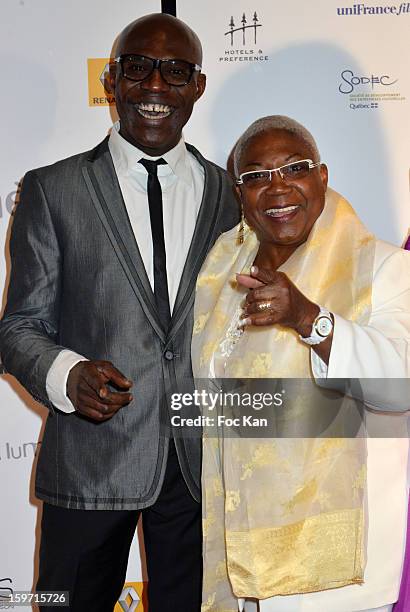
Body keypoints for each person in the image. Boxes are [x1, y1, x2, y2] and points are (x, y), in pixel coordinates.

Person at [0, 13, 239, 612]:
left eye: (176, 72)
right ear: (112, 81)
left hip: (199, 468)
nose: (156, 86)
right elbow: (19, 327)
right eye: (138, 68)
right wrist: (67, 374)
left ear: (198, 87)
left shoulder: (230, 196)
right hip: (86, 465)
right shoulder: (52, 190)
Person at [192, 115, 410, 612]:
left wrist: (310, 318)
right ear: (239, 194)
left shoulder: (384, 267)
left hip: (335, 574)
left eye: (295, 168)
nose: (277, 187)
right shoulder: (221, 273)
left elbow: (401, 389)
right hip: (243, 557)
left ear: (323, 177)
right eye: (256, 175)